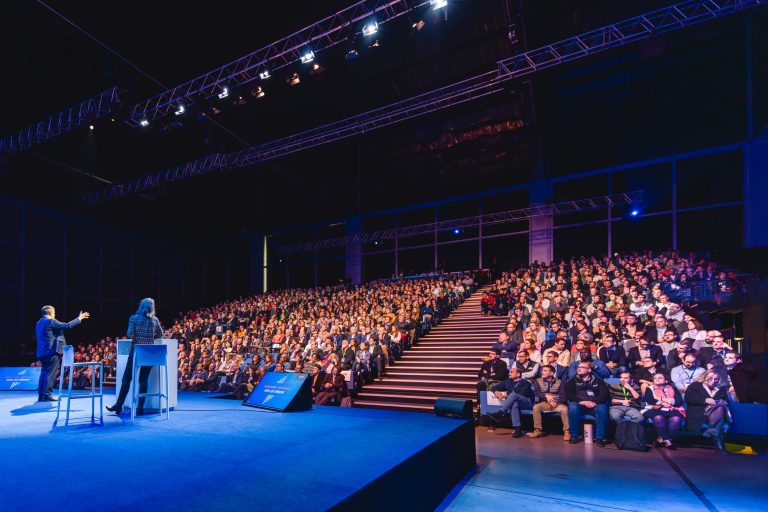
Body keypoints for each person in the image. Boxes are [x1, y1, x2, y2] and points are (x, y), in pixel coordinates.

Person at [107, 298, 163, 415]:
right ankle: (140, 408)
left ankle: (118, 405)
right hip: (149, 354)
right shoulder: (155, 320)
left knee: (126, 379)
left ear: (141, 306)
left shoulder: (134, 318)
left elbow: (129, 334)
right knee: (143, 380)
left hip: (136, 352)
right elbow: (160, 334)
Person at [36, 306, 90, 402]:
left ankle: (41, 395)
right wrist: (79, 318)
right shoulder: (50, 321)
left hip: (42, 352)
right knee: (50, 373)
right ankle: (47, 395)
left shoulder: (39, 323)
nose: (55, 314)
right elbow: (67, 325)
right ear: (50, 313)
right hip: (51, 351)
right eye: (54, 313)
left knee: (44, 372)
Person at [565, 362, 610, 446]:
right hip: (580, 405)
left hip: (594, 405)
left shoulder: (598, 381)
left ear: (589, 370)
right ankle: (574, 435)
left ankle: (600, 438)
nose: (579, 369)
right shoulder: (572, 381)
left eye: (582, 367)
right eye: (578, 367)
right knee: (573, 406)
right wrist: (581, 402)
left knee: (602, 408)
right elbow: (569, 394)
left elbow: (605, 395)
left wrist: (595, 402)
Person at [684, 371, 729, 452]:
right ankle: (720, 446)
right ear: (705, 378)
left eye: (716, 379)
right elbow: (688, 398)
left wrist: (723, 402)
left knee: (720, 408)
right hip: (698, 413)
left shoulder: (721, 390)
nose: (714, 380)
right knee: (719, 422)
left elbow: (725, 400)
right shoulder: (695, 386)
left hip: (714, 414)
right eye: (710, 378)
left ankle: (710, 429)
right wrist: (705, 400)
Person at [642, 373, 685, 450]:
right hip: (655, 409)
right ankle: (668, 442)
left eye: (660, 378)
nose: (657, 379)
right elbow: (650, 400)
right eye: (655, 378)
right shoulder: (650, 389)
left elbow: (678, 402)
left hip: (671, 409)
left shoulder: (673, 388)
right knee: (658, 418)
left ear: (666, 380)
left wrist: (660, 398)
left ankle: (660, 440)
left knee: (676, 419)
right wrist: (667, 402)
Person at [487, 367, 532, 437]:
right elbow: (493, 387)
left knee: (514, 396)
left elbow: (522, 394)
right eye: (509, 372)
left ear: (518, 374)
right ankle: (518, 430)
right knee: (514, 404)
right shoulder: (508, 381)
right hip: (516, 403)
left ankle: (500, 413)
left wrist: (506, 394)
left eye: (511, 372)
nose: (509, 374)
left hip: (526, 403)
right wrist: (496, 392)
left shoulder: (526, 383)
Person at [528, 364, 569, 440]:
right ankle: (538, 430)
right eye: (542, 370)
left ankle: (567, 431)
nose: (542, 372)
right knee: (536, 407)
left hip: (557, 403)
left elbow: (563, 396)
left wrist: (556, 402)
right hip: (544, 403)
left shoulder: (560, 382)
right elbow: (537, 393)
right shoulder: (538, 381)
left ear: (551, 373)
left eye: (545, 371)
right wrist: (547, 397)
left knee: (564, 409)